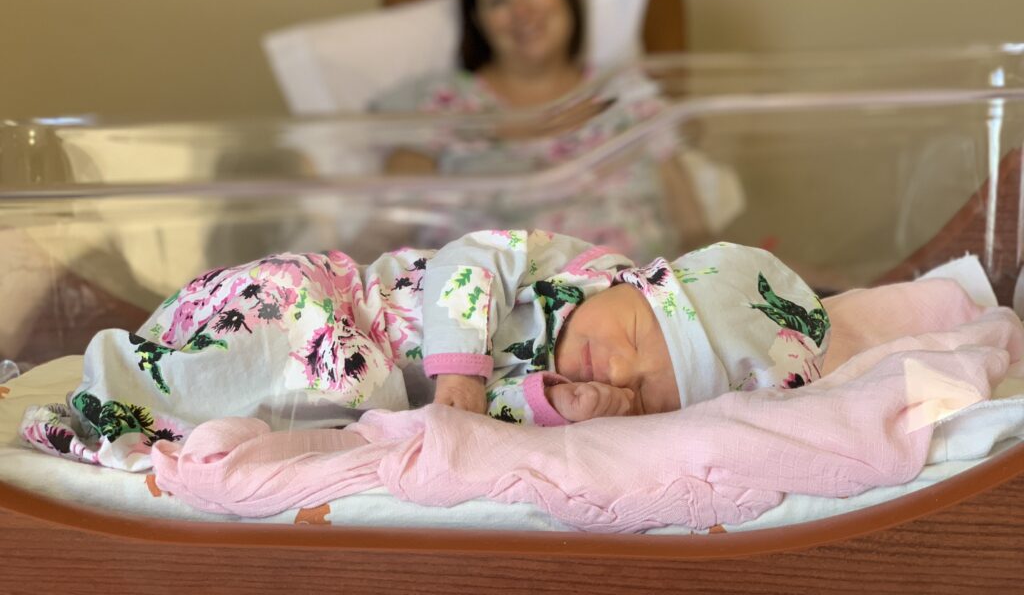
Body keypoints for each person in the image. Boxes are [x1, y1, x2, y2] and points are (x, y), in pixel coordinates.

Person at [21, 228, 828, 472]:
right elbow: (468, 260)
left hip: (363, 386)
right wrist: (461, 380)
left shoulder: (590, 402)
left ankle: (157, 422)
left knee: (297, 412)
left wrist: (561, 411)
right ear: (643, 283)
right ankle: (115, 385)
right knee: (272, 342)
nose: (618, 373)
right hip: (336, 303)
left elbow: (495, 425)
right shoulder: (575, 267)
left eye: (653, 395)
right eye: (640, 341)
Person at [370, 0, 724, 262]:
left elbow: (695, 234)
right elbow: (386, 233)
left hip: (634, 305)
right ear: (478, 20)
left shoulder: (628, 99)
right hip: (488, 312)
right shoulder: (439, 104)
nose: (522, 11)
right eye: (497, 1)